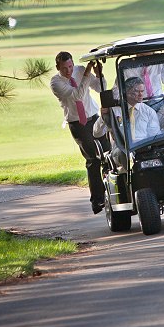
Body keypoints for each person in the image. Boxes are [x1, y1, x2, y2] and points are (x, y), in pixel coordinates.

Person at [50, 51, 110, 214]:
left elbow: (98, 87)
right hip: (78, 123)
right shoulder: (55, 82)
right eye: (64, 68)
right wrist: (87, 74)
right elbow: (77, 96)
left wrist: (98, 74)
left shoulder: (80, 70)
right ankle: (97, 200)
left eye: (70, 66)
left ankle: (111, 191)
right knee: (93, 158)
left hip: (94, 117)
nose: (69, 71)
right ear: (58, 67)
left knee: (108, 153)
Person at [122, 76, 162, 142]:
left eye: (142, 91)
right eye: (137, 91)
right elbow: (99, 132)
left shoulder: (149, 112)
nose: (141, 95)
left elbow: (155, 137)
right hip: (122, 149)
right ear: (127, 92)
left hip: (143, 148)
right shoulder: (117, 110)